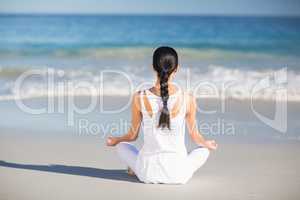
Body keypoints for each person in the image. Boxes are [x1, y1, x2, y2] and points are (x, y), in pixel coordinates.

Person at [107, 46, 217, 184]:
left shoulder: (139, 97)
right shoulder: (187, 98)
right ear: (176, 69)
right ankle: (143, 168)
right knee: (204, 150)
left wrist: (116, 140)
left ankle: (134, 169)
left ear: (153, 68)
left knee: (122, 146)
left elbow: (132, 136)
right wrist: (206, 144)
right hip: (179, 175)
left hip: (147, 174)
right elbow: (195, 137)